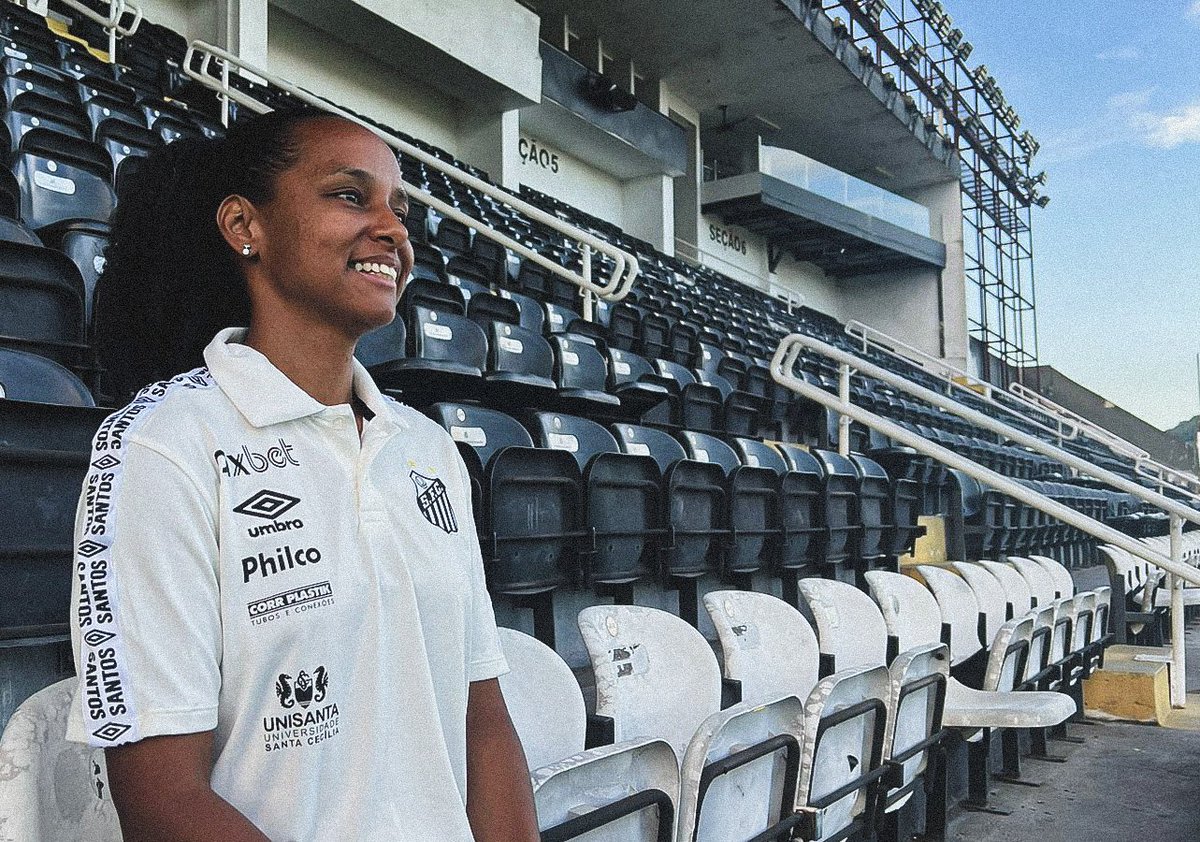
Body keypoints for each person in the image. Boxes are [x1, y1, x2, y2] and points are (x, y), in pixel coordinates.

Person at [69, 107, 540, 841]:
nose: (392, 229)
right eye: (351, 196)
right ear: (243, 227)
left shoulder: (427, 450)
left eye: (399, 208)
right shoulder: (162, 448)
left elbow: (484, 725)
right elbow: (161, 798)